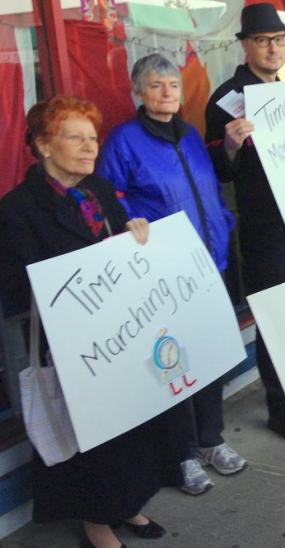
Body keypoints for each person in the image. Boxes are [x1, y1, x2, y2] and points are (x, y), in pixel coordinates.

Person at [0, 95, 183, 548]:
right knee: (91, 436)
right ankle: (97, 520)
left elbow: (122, 246)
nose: (90, 147)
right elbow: (18, 285)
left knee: (132, 427)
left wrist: (135, 237)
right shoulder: (17, 208)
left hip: (119, 331)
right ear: (44, 145)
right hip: (70, 344)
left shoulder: (98, 190)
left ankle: (129, 504)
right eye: (75, 137)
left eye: (93, 137)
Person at [97, 53, 246, 496]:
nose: (167, 93)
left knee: (211, 356)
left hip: (209, 263)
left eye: (173, 86)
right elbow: (108, 195)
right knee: (173, 362)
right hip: (163, 272)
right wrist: (129, 221)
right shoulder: (124, 139)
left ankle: (210, 439)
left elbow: (206, 186)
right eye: (157, 86)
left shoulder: (189, 133)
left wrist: (221, 218)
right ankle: (180, 452)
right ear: (138, 93)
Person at [205, 3, 285, 444]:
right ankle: (284, 412)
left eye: (279, 40)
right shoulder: (226, 99)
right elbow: (220, 171)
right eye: (264, 41)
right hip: (268, 229)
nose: (273, 48)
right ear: (245, 46)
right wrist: (231, 147)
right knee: (276, 320)